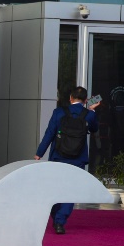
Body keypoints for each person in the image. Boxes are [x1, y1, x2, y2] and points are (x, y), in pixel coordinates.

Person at [34, 87, 100, 234]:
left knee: (55, 187)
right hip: (78, 159)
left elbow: (49, 133)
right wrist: (92, 110)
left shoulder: (59, 112)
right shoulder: (89, 115)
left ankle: (55, 213)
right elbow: (95, 129)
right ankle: (60, 221)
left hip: (58, 156)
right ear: (85, 100)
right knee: (71, 190)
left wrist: (39, 153)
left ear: (71, 98)